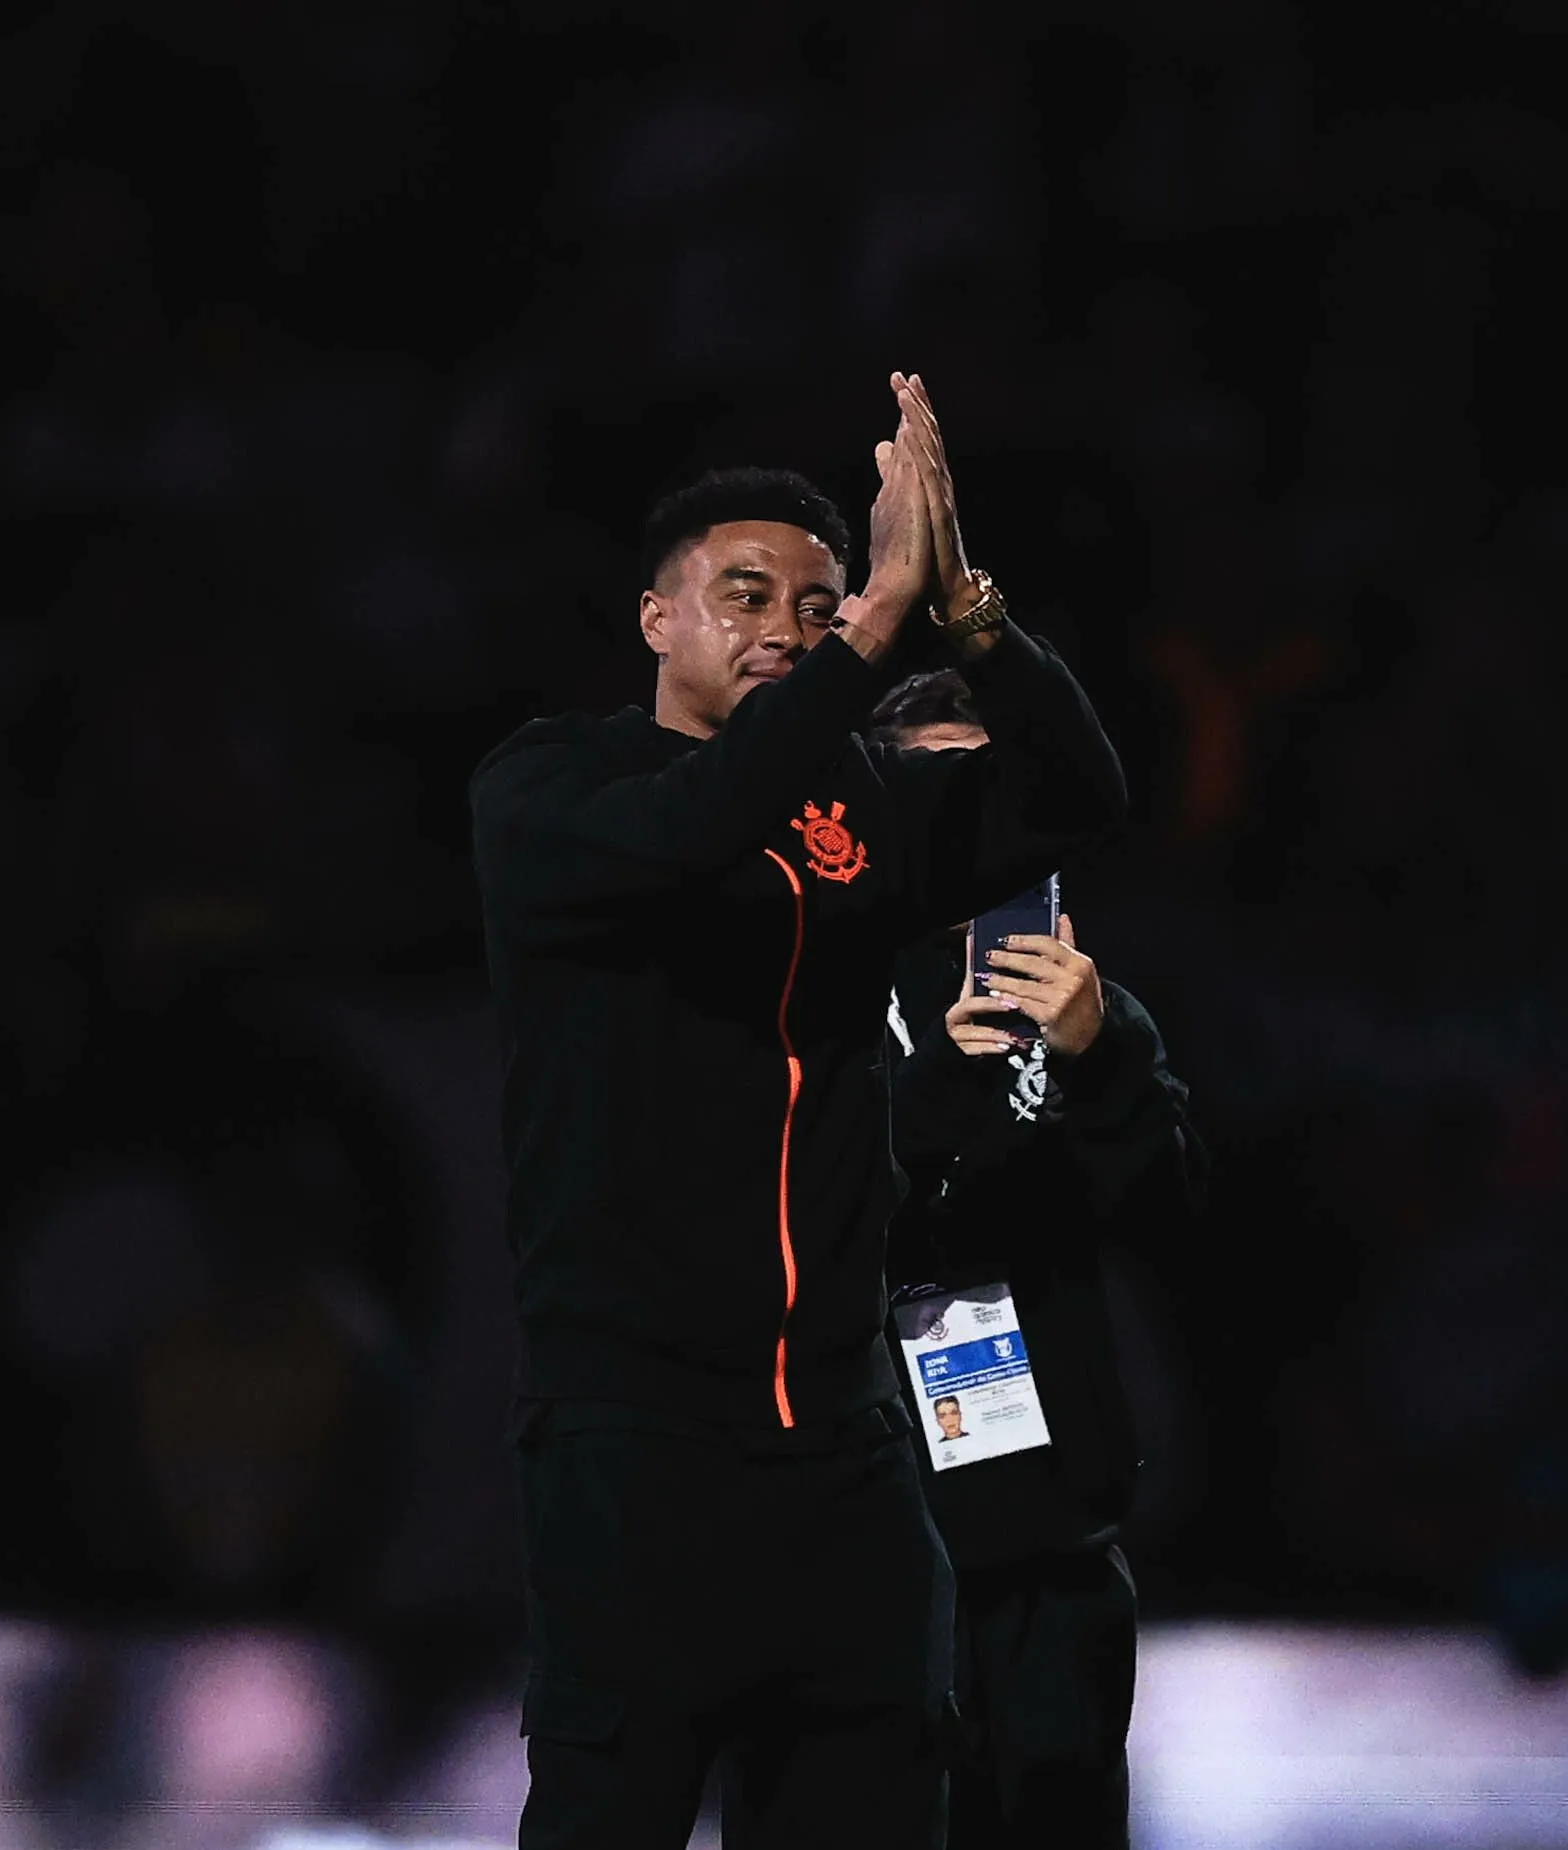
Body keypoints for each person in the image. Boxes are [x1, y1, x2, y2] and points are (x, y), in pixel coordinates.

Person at [467, 374, 1128, 1850]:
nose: (789, 625)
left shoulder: (863, 812)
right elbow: (699, 826)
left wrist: (964, 610)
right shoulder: (550, 789)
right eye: (746, 595)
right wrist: (870, 637)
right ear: (656, 619)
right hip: (635, 1451)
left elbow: (1078, 793)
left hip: (845, 1460)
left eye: (822, 604)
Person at [873, 667, 1209, 1850]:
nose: (961, 814)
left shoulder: (1084, 1005)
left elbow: (1173, 1230)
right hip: (863, 1537)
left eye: (983, 782)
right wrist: (931, 1090)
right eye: (928, 784)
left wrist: (1102, 1052)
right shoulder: (812, 998)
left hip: (1045, 1539)